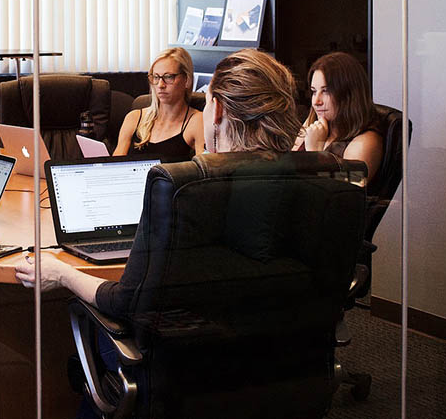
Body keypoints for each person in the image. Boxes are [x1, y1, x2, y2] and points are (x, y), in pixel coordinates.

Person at [16, 47, 301, 314]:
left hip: (183, 352)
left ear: (217, 111)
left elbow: (123, 300)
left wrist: (62, 273)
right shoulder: (317, 179)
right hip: (291, 352)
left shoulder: (182, 193)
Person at [292, 52, 383, 181]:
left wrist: (314, 153)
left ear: (349, 94)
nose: (316, 102)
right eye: (313, 92)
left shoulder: (365, 142)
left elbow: (344, 193)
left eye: (326, 91)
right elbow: (288, 170)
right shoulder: (315, 123)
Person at [112, 47, 205, 160]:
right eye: (156, 77)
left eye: (168, 77)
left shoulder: (197, 121)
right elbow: (114, 167)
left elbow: (205, 170)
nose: (160, 84)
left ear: (187, 80)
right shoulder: (134, 118)